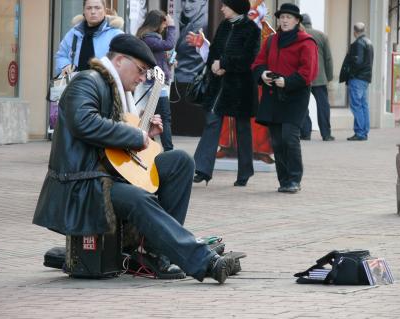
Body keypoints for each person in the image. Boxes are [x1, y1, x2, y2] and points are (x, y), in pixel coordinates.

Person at [33, 34, 235, 284]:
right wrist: (134, 135)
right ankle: (204, 261)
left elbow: (115, 144)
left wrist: (144, 134)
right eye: (140, 70)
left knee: (180, 162)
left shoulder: (116, 92)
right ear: (118, 61)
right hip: (82, 184)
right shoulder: (86, 82)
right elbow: (84, 123)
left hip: (107, 175)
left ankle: (153, 251)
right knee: (139, 198)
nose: (142, 78)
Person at [251, 3, 318, 193]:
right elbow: (258, 63)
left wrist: (286, 82)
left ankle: (294, 179)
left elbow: (308, 73)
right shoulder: (271, 40)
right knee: (277, 141)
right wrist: (262, 74)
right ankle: (284, 180)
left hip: (295, 97)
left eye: (289, 17)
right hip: (273, 95)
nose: (285, 20)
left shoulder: (307, 42)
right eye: (282, 17)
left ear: (297, 21)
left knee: (289, 137)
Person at [193, 0, 261, 187]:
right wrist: (215, 66)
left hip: (241, 87)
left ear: (236, 8)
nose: (222, 8)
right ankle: (202, 169)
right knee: (212, 122)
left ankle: (245, 172)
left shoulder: (252, 29)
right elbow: (214, 50)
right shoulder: (223, 26)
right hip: (218, 85)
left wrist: (224, 64)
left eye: (225, 5)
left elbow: (249, 58)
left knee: (242, 129)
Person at [137, 10, 176, 152]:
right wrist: (172, 26)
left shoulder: (150, 39)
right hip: (155, 83)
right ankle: (168, 150)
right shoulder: (148, 39)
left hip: (155, 82)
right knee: (164, 117)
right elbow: (170, 44)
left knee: (154, 117)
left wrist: (169, 63)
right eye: (164, 24)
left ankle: (151, 148)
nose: (165, 27)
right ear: (157, 23)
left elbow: (157, 59)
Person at [54, 0, 123, 77]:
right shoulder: (73, 33)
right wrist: (65, 65)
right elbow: (61, 56)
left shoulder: (116, 35)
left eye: (97, 8)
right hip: (76, 84)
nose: (93, 11)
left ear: (105, 11)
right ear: (84, 11)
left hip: (105, 84)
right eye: (89, 8)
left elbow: (123, 61)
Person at [299, 13, 335, 142]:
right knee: (323, 106)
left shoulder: (299, 36)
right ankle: (326, 134)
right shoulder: (322, 36)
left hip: (303, 78)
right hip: (320, 78)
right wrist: (329, 77)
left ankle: (305, 133)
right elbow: (328, 59)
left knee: (302, 105)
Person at [340, 22, 374, 141]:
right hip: (365, 79)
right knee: (363, 105)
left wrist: (351, 74)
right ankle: (364, 131)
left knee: (356, 105)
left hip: (357, 78)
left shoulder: (358, 43)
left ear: (355, 32)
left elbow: (357, 62)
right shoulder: (369, 42)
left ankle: (360, 132)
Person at [175, 0, 209, 83]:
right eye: (183, 1)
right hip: (187, 78)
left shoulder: (201, 24)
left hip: (189, 79)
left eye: (192, 1)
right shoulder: (189, 18)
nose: (186, 6)